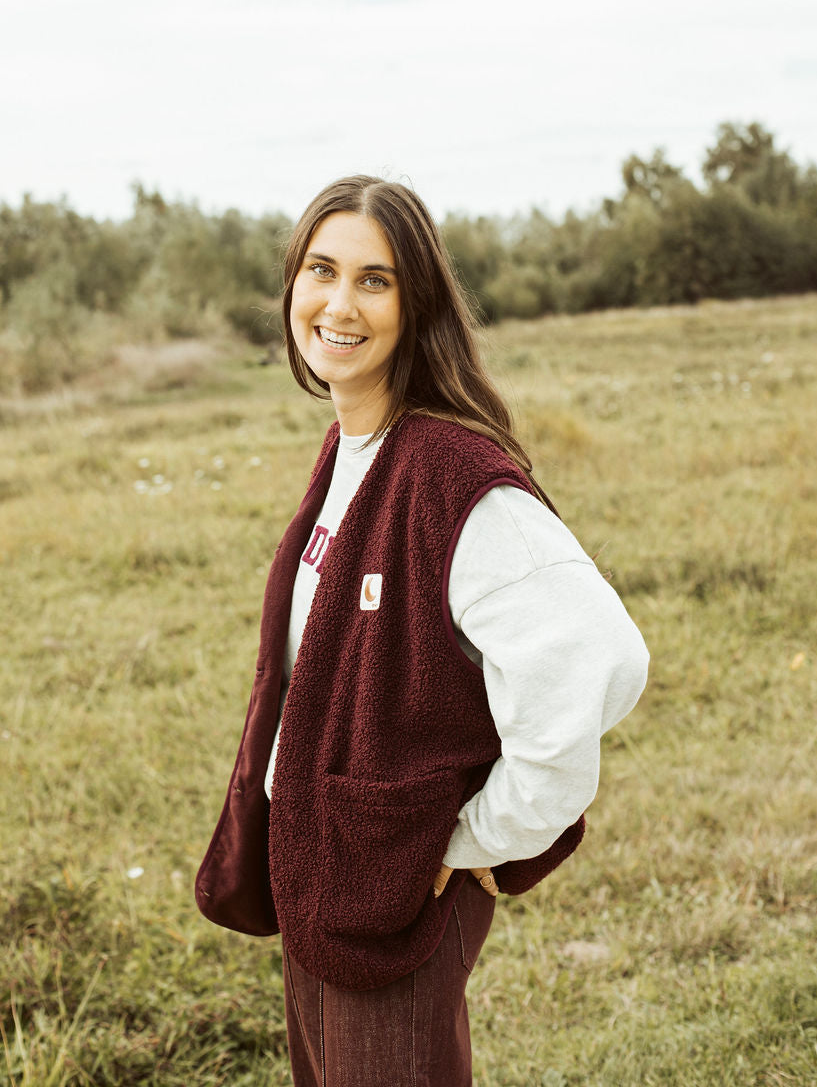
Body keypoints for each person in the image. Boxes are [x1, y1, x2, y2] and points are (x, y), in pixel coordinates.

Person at [196, 175, 649, 1087]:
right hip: (327, 871)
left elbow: (600, 657)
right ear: (291, 286)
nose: (339, 302)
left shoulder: (451, 473)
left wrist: (478, 836)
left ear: (418, 306)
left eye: (376, 280)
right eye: (321, 270)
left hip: (394, 884)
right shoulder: (352, 449)